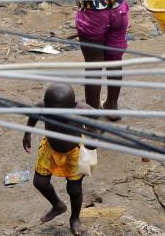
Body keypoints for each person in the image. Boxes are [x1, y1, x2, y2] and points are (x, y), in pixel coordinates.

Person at [22, 83, 94, 236]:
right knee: (39, 182)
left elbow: (95, 119)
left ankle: (75, 218)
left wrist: (93, 138)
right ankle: (58, 205)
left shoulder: (81, 110)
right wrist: (27, 133)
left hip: (73, 153)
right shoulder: (44, 106)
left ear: (73, 106)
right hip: (50, 149)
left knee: (74, 190)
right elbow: (34, 112)